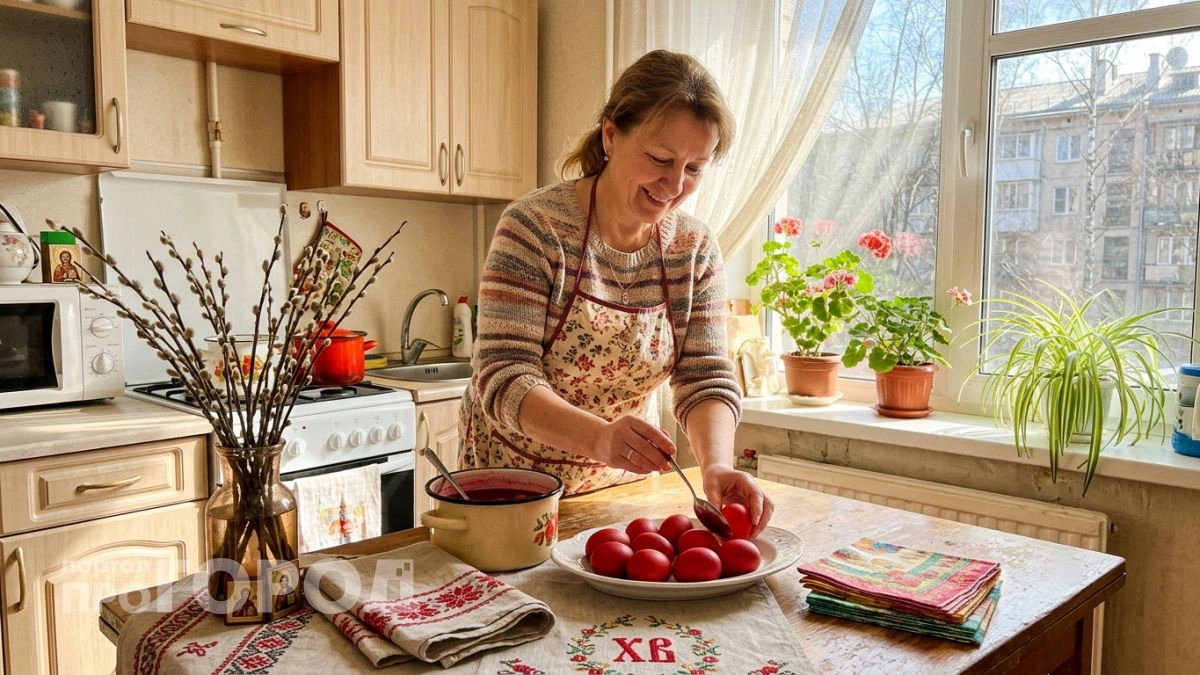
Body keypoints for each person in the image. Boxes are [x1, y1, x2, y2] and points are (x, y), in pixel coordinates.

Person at [459, 49, 774, 535]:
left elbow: (705, 375)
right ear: (611, 135)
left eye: (695, 168)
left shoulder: (693, 248)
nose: (674, 185)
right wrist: (599, 438)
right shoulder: (535, 228)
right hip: (513, 493)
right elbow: (503, 375)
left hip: (622, 493)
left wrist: (715, 466)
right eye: (660, 159)